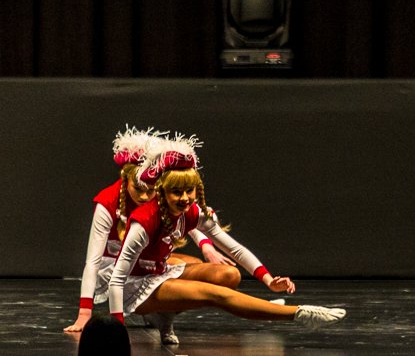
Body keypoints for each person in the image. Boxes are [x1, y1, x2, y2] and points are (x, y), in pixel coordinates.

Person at [107, 133, 346, 339]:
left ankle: (163, 315)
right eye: (176, 192)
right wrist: (117, 333)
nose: (184, 198)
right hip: (132, 288)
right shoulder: (144, 221)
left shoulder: (192, 212)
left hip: (158, 273)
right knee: (213, 294)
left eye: (189, 191)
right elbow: (117, 281)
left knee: (225, 276)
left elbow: (235, 249)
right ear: (161, 192)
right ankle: (300, 313)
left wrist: (268, 280)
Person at [64, 126, 232, 336]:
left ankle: (158, 311)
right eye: (138, 189)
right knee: (181, 274)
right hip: (117, 267)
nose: (144, 196)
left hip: (145, 260)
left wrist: (206, 246)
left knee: (199, 266)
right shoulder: (108, 201)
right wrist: (84, 312)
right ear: (126, 180)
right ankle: (146, 307)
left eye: (150, 190)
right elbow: (93, 261)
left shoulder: (160, 195)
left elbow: (187, 216)